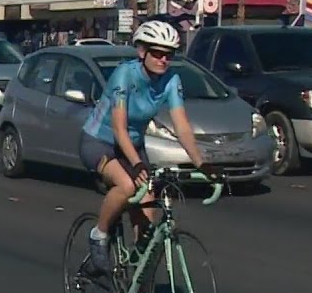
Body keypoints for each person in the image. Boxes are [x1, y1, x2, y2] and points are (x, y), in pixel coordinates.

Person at [78, 19, 221, 275]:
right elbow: (120, 129)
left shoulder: (171, 81)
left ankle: (139, 275)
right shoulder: (125, 74)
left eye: (169, 55)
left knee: (148, 200)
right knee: (127, 185)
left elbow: (182, 126)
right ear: (142, 52)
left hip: (132, 145)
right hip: (100, 141)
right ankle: (99, 234)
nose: (163, 60)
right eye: (157, 53)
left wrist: (202, 162)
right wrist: (137, 164)